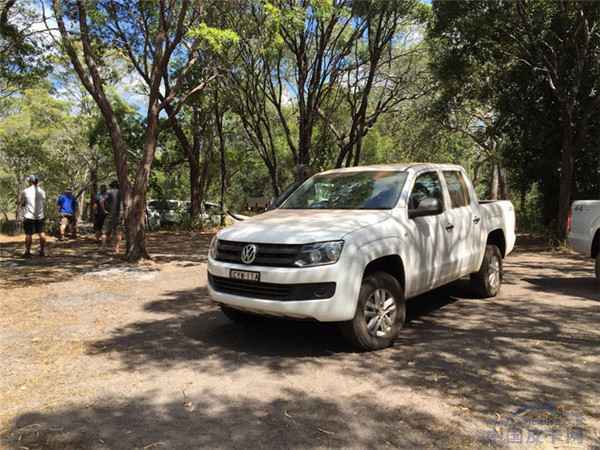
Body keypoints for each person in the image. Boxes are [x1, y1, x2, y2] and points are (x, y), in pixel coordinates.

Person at [20, 175, 46, 258]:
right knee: (41, 233)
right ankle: (42, 251)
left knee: (28, 234)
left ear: (30, 181)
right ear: (37, 182)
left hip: (29, 216)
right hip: (40, 216)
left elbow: (22, 202)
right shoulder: (42, 191)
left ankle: (27, 252)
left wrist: (23, 204)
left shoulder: (25, 191)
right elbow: (43, 200)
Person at [100, 180, 123, 253]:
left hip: (110, 214)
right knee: (118, 232)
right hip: (119, 215)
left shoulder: (108, 192)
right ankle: (117, 249)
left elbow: (101, 201)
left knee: (104, 232)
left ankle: (103, 247)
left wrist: (104, 210)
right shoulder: (122, 193)